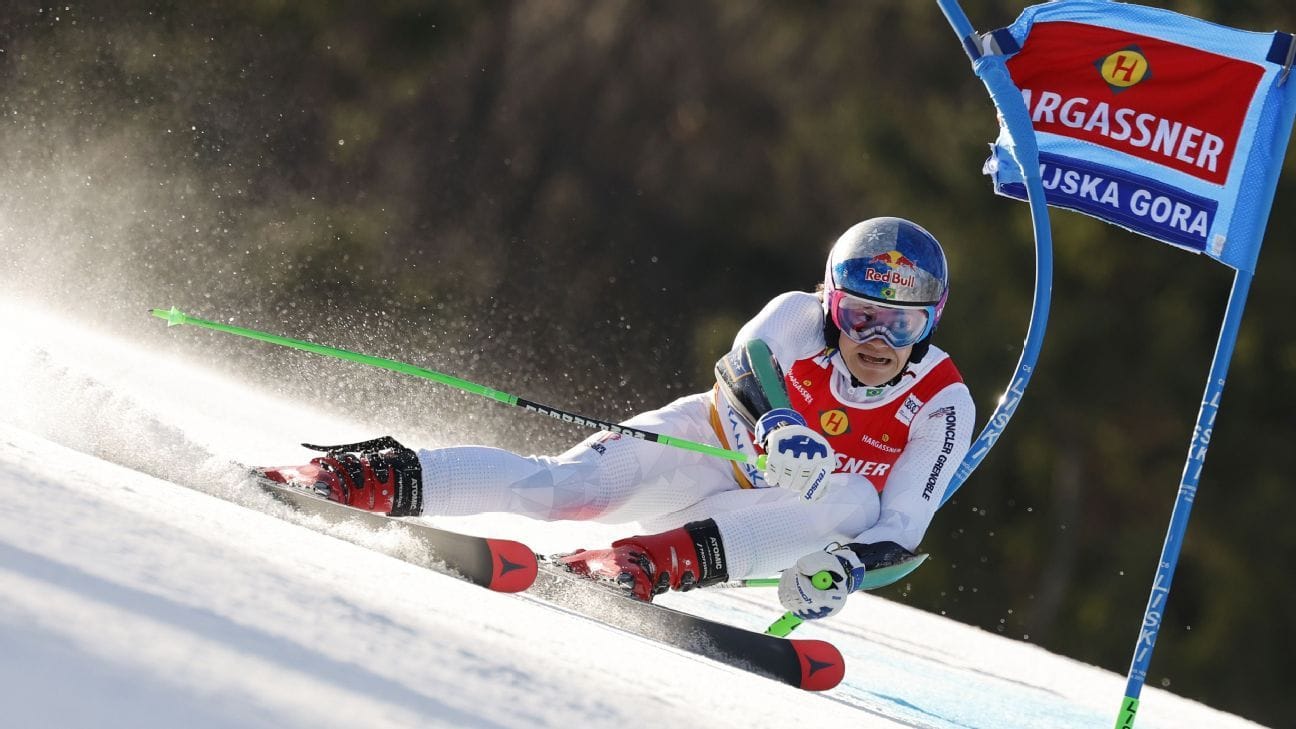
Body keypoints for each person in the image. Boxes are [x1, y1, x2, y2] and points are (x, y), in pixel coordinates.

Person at [260, 217, 974, 623]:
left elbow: (900, 527)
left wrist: (844, 570)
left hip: (772, 517)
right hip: (702, 445)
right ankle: (362, 476)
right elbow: (744, 361)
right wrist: (778, 421)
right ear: (831, 301)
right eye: (859, 315)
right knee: (557, 489)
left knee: (855, 497)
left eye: (901, 323)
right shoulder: (797, 314)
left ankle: (641, 562)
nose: (876, 340)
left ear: (930, 322)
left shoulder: (944, 402)